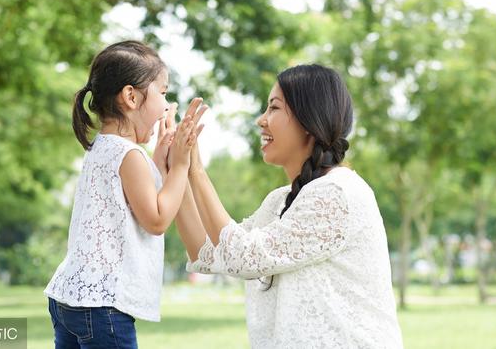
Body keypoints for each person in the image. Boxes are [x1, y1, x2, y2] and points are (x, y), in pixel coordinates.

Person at [171, 64, 404, 348]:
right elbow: (208, 253)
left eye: (274, 108)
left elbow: (241, 256)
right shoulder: (280, 201)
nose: (261, 120)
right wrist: (177, 172)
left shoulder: (337, 193)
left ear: (309, 120)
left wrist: (196, 170)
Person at [44, 40, 205, 348]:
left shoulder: (104, 148)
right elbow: (156, 219)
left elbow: (139, 196)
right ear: (131, 97)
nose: (166, 105)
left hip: (70, 297)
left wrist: (159, 159)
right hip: (102, 305)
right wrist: (182, 164)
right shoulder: (129, 155)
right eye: (163, 92)